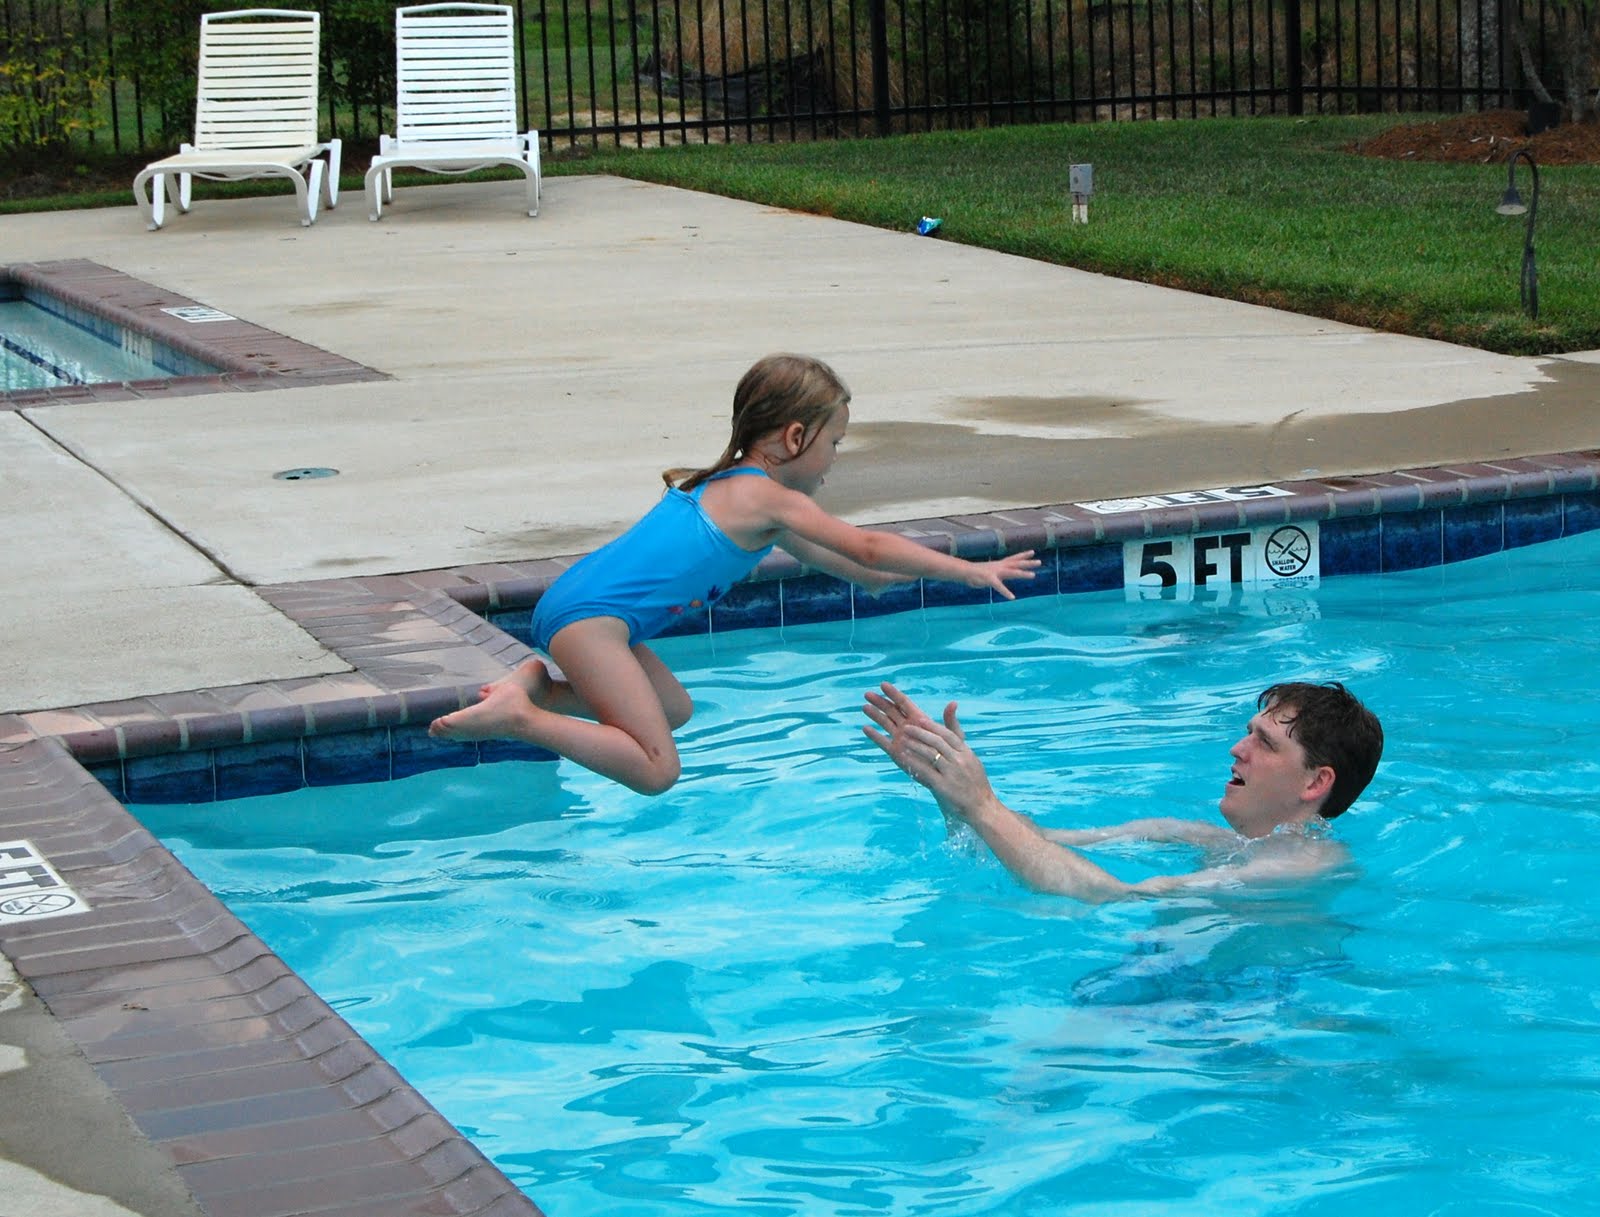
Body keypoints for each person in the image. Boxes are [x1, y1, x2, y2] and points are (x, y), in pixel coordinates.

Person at [430, 353, 1040, 794]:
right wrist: (970, 570)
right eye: (836, 442)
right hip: (593, 622)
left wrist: (911, 581)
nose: (835, 459)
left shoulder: (755, 507)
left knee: (671, 709)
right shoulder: (763, 498)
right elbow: (870, 547)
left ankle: (536, 686)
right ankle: (523, 718)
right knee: (656, 768)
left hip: (589, 614)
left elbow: (865, 572)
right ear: (795, 436)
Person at [862, 680, 1383, 903]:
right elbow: (1044, 840)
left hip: (1230, 1013)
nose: (1236, 749)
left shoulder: (1294, 868)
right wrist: (957, 796)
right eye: (1248, 732)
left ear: (1316, 782)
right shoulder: (1208, 841)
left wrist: (982, 805)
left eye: (1264, 743)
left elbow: (1114, 896)